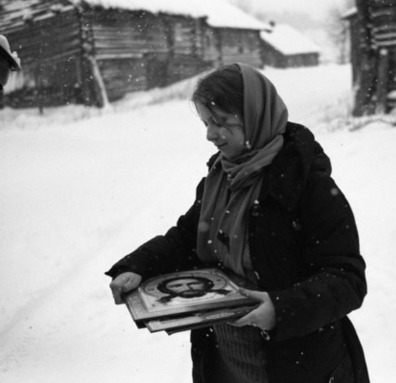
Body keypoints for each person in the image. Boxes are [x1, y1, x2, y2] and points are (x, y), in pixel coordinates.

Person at [106, 63, 369, 383]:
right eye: (205, 123)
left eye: (220, 123)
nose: (209, 135)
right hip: (224, 359)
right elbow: (188, 237)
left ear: (255, 117)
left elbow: (347, 279)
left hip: (299, 365)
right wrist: (140, 265)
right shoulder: (221, 177)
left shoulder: (307, 187)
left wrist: (279, 309)